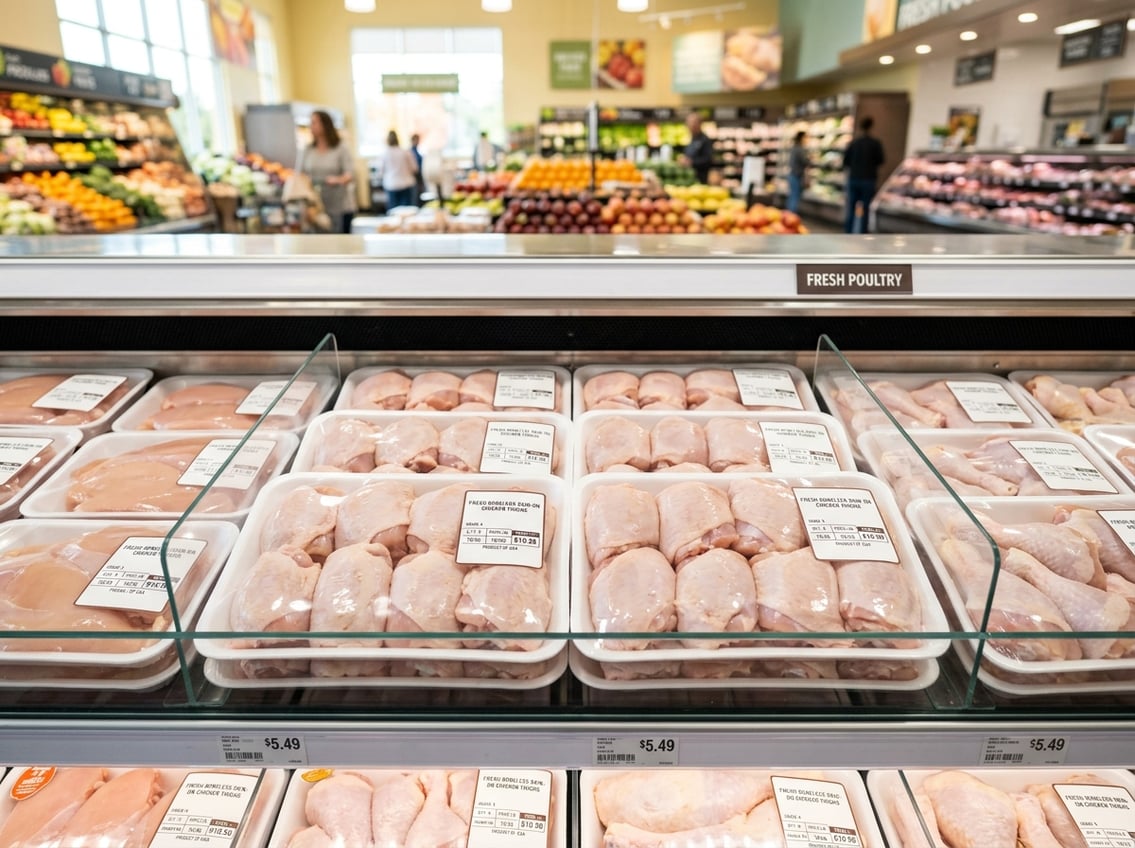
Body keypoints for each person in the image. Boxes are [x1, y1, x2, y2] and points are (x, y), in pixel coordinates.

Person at [297, 110, 356, 233]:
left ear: (325, 125)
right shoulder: (308, 149)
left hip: (340, 205)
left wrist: (337, 180)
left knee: (340, 244)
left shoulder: (341, 148)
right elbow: (300, 174)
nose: (311, 126)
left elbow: (350, 174)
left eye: (314, 123)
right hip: (316, 206)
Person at [842, 115, 885, 233]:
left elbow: (845, 161)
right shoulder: (875, 143)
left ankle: (848, 231)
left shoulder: (854, 143)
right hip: (868, 180)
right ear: (871, 127)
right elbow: (881, 160)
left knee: (851, 207)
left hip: (854, 179)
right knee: (865, 208)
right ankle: (862, 233)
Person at [380, 129, 418, 210]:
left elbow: (381, 171)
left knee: (393, 213)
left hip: (391, 185)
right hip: (406, 184)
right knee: (407, 211)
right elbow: (414, 168)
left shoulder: (384, 154)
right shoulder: (405, 152)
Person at [681, 113, 714, 185]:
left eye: (692, 123)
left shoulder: (705, 140)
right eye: (688, 123)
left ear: (699, 124)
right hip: (689, 179)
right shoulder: (691, 139)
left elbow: (708, 159)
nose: (690, 125)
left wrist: (692, 162)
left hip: (700, 180)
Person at [786, 130, 808, 213]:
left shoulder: (794, 147)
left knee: (792, 196)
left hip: (792, 174)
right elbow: (804, 161)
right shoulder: (800, 149)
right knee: (795, 197)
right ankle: (791, 215)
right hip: (797, 175)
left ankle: (788, 215)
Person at [409, 133, 426, 204]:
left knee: (419, 197)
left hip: (419, 177)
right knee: (415, 199)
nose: (418, 142)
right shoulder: (410, 152)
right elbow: (414, 168)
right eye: (416, 140)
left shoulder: (417, 152)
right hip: (414, 177)